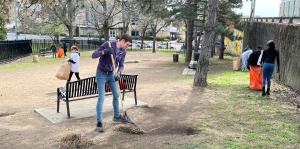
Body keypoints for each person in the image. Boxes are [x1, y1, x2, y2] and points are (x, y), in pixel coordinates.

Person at [92, 34, 132, 132]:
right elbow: (94, 55)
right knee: (101, 97)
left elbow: (121, 65)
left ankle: (117, 116)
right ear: (122, 41)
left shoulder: (123, 52)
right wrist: (104, 51)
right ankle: (99, 123)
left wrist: (118, 73)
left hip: (112, 74)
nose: (127, 47)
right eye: (127, 44)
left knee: (116, 95)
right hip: (101, 73)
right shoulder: (108, 44)